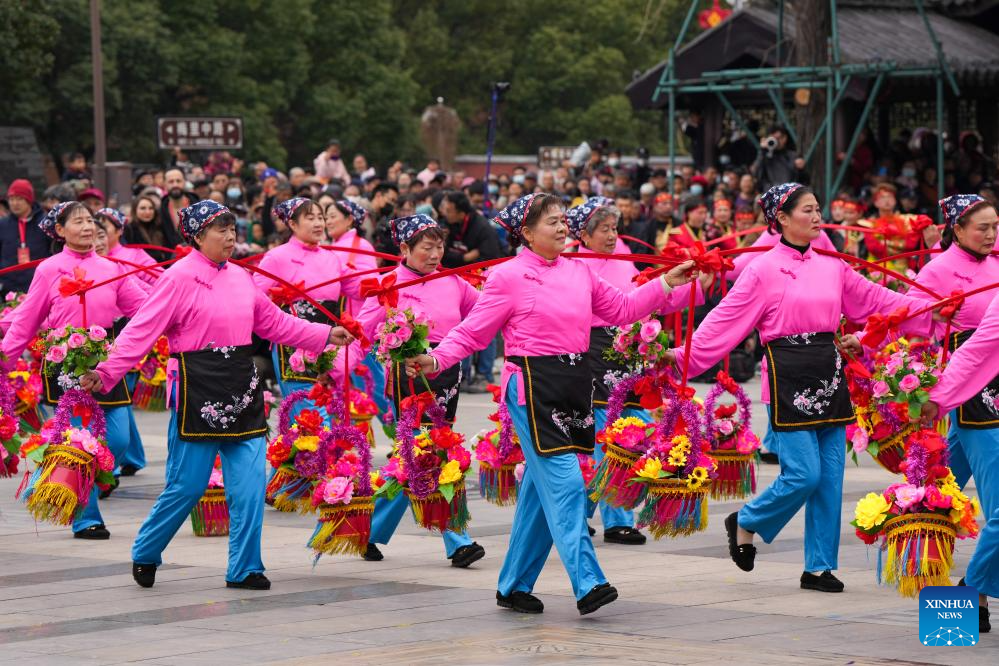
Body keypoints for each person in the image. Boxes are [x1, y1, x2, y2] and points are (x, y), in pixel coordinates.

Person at [407, 193, 697, 615]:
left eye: (564, 221)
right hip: (531, 387)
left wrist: (668, 281)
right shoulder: (507, 277)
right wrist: (435, 359)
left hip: (573, 385)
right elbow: (473, 333)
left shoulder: (579, 271)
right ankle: (588, 582)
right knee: (566, 483)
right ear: (526, 233)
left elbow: (623, 309)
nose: (563, 228)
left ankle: (514, 583)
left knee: (540, 491)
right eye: (552, 222)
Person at [666, 183, 940, 592]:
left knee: (830, 477)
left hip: (829, 372)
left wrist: (933, 307)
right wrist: (677, 356)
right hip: (786, 374)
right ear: (781, 218)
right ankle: (746, 520)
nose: (817, 217)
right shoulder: (761, 269)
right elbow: (725, 319)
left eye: (817, 209)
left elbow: (877, 299)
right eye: (808, 210)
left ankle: (819, 566)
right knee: (803, 475)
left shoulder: (832, 265)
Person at [79, 200, 354, 590]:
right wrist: (106, 372)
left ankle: (245, 568)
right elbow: (140, 331)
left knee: (250, 486)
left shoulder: (242, 276)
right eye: (220, 230)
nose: (229, 237)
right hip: (197, 390)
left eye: (232, 230)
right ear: (196, 236)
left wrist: (325, 334)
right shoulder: (177, 278)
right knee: (187, 487)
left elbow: (274, 323)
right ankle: (146, 548)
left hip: (242, 388)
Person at [2, 202, 149, 539]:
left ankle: (67, 477)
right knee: (78, 442)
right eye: (78, 221)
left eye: (90, 221)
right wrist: (4, 358)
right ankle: (87, 518)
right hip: (64, 363)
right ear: (59, 230)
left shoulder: (111, 268)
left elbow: (144, 307)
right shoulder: (49, 269)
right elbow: (27, 319)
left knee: (119, 439)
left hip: (105, 365)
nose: (87, 227)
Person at [566, 198, 706, 546]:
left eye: (615, 228)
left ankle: (614, 515)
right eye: (604, 230)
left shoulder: (626, 254)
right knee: (603, 438)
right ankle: (598, 516)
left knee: (631, 434)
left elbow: (650, 296)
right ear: (583, 234)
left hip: (630, 351)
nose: (613, 236)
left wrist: (690, 282)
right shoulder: (573, 263)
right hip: (593, 352)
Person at [355, 214, 485, 567]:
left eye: (439, 247)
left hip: (448, 373)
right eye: (426, 248)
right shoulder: (388, 284)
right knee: (431, 453)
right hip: (410, 378)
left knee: (411, 461)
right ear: (404, 248)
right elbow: (361, 332)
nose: (434, 254)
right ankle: (457, 540)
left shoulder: (452, 281)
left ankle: (361, 526)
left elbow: (485, 311)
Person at [915, 195, 998, 634]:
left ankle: (958, 605)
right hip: (969, 391)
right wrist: (935, 320)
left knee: (935, 492)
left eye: (995, 227)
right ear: (958, 229)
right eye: (982, 227)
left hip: (988, 386)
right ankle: (964, 597)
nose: (990, 235)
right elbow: (909, 319)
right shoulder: (938, 269)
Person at [254, 198, 361, 419]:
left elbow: (358, 288)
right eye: (310, 218)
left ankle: (301, 453)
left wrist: (394, 279)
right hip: (293, 344)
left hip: (329, 342)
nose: (318, 223)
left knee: (327, 411)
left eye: (320, 217)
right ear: (292, 224)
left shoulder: (331, 257)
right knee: (310, 414)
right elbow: (253, 296)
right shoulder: (277, 256)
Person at [95, 207, 160, 476]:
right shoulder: (96, 262)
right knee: (118, 399)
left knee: (121, 395)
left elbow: (158, 283)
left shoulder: (132, 256)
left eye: (103, 230)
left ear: (119, 230)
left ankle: (125, 455)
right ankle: (131, 455)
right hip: (103, 333)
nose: (97, 235)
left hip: (131, 326)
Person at [325, 199, 395, 425]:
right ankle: (345, 437)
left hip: (362, 328)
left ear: (349, 219)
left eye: (332, 215)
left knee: (372, 385)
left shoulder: (360, 246)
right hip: (340, 328)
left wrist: (342, 276)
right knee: (346, 385)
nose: (327, 221)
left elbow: (370, 287)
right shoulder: (335, 246)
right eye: (325, 217)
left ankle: (398, 432)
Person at [0, 179, 51, 293]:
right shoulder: (2, 224)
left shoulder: (45, 223)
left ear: (29, 200)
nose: (15, 203)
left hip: (39, 285)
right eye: (11, 199)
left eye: (19, 199)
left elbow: (54, 252)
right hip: (8, 289)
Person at [752, 126, 808, 193]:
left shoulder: (793, 156)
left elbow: (804, 181)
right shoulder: (764, 155)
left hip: (789, 194)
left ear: (784, 138)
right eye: (773, 138)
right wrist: (762, 151)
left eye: (778, 138)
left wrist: (801, 170)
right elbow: (756, 173)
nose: (776, 141)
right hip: (770, 195)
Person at [160, 168, 193, 248]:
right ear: (164, 184)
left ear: (184, 182)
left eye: (178, 181)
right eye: (171, 181)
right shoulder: (159, 212)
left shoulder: (200, 208)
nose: (175, 185)